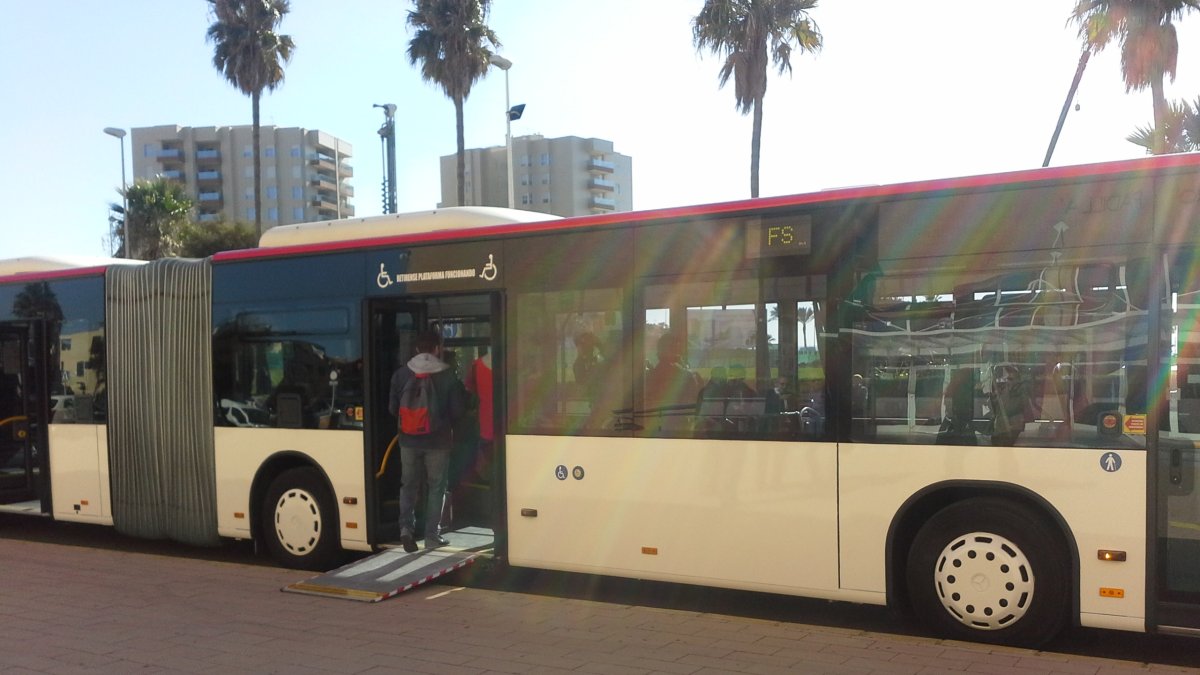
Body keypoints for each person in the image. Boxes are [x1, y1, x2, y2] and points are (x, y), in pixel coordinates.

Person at [388, 330, 466, 552]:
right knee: (436, 487)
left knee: (409, 485)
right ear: (437, 349)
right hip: (438, 442)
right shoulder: (447, 374)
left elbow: (392, 409)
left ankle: (406, 529)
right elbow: (457, 411)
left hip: (408, 441)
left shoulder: (401, 374)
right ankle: (432, 535)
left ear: (416, 349)